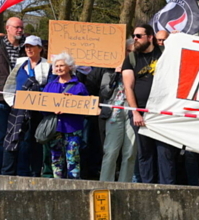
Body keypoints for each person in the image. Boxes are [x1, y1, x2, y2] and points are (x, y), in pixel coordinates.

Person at [123, 24, 175, 184]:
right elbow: (128, 87)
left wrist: (177, 38)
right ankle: (148, 188)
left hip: (162, 112)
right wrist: (135, 112)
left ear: (150, 37)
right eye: (134, 36)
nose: (135, 39)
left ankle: (167, 188)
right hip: (141, 113)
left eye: (139, 36)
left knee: (165, 153)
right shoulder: (131, 58)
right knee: (145, 153)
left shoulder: (165, 54)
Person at [2, 35, 50, 176]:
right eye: (26, 47)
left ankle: (34, 172)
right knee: (15, 139)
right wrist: (12, 101)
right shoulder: (20, 65)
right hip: (19, 110)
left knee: (34, 141)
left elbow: (50, 88)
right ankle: (14, 171)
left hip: (38, 111)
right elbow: (11, 85)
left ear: (40, 48)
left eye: (32, 46)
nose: (28, 49)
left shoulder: (48, 66)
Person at [0, 17, 25, 173]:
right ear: (7, 28)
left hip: (21, 98)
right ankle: (3, 170)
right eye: (17, 27)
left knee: (20, 135)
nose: (20, 30)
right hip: (0, 97)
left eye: (21, 27)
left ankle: (19, 170)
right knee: (1, 136)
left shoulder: (26, 46)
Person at [42, 53, 90, 179]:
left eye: (62, 65)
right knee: (56, 159)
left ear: (69, 67)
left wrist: (72, 103)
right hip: (55, 129)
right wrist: (52, 110)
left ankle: (74, 184)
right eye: (56, 66)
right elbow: (41, 106)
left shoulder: (79, 86)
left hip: (73, 127)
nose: (59, 68)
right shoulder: (50, 86)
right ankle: (57, 185)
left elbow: (87, 108)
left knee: (73, 159)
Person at [99, 39, 137, 182]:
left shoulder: (141, 69)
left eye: (134, 52)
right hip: (114, 111)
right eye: (128, 51)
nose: (130, 54)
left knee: (130, 152)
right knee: (110, 151)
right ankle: (105, 183)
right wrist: (116, 75)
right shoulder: (110, 69)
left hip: (132, 111)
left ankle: (125, 184)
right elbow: (104, 92)